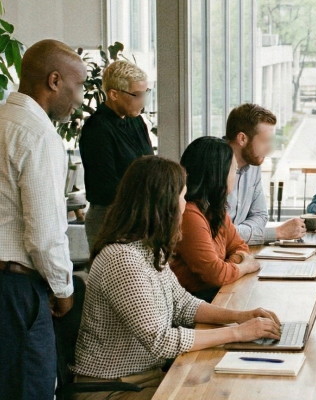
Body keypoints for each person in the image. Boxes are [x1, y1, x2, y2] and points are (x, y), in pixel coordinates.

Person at [72, 156, 281, 399]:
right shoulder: (122, 258)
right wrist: (238, 333)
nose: (185, 204)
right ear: (164, 203)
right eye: (182, 196)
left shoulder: (147, 248)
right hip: (113, 388)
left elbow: (183, 304)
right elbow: (160, 340)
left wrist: (240, 317)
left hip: (144, 377)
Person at [0, 39, 83, 400]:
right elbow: (45, 234)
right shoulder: (39, 135)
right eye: (77, 85)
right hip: (18, 289)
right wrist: (64, 290)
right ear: (54, 81)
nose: (80, 98)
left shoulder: (3, 119)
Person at [171, 137, 260, 302]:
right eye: (234, 170)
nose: (236, 175)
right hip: (192, 302)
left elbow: (239, 246)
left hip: (211, 294)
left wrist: (231, 263)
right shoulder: (189, 214)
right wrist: (244, 266)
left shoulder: (213, 208)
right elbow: (216, 274)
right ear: (217, 174)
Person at [80, 60, 154, 248]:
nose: (143, 102)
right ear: (113, 94)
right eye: (137, 95)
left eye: (145, 94)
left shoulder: (136, 121)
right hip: (110, 219)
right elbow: (106, 188)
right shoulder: (96, 129)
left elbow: (151, 166)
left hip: (139, 215)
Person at [225, 103, 305, 245]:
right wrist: (277, 233)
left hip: (237, 252)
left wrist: (239, 234)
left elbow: (260, 215)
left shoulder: (253, 163)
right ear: (242, 138)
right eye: (265, 141)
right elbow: (218, 233)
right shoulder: (212, 166)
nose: (270, 150)